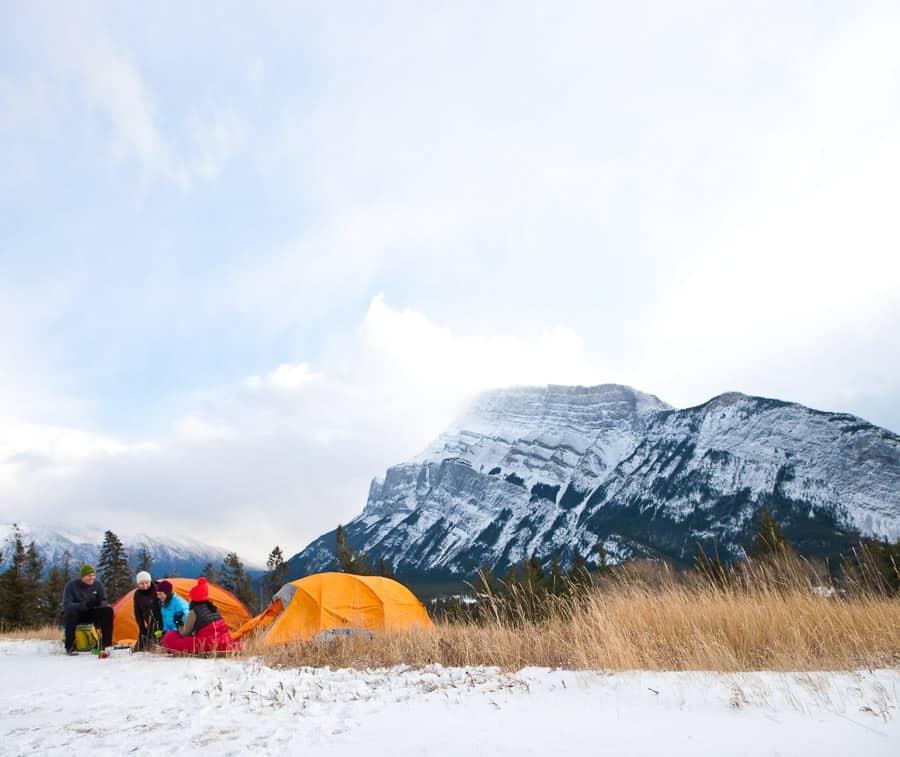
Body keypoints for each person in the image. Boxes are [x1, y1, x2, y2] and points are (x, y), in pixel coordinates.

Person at [161, 577, 240, 654]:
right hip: (223, 640)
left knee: (170, 637)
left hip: (206, 643)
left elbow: (184, 633)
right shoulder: (213, 608)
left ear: (193, 599)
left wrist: (178, 622)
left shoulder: (194, 612)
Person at [62, 564, 113, 655]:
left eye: (93, 575)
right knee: (69, 614)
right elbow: (67, 605)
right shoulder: (71, 586)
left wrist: (98, 604)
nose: (91, 578)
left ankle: (106, 645)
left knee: (108, 611)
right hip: (76, 614)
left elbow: (104, 601)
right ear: (82, 576)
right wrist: (85, 605)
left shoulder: (98, 585)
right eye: (89, 576)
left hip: (91, 613)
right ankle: (70, 646)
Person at [133, 570, 162, 651]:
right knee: (139, 648)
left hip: (161, 624)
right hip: (149, 624)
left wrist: (161, 627)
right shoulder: (137, 595)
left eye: (147, 583)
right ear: (138, 584)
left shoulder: (157, 590)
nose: (145, 585)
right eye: (142, 584)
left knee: (155, 645)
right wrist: (142, 628)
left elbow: (163, 608)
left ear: (150, 581)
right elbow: (137, 612)